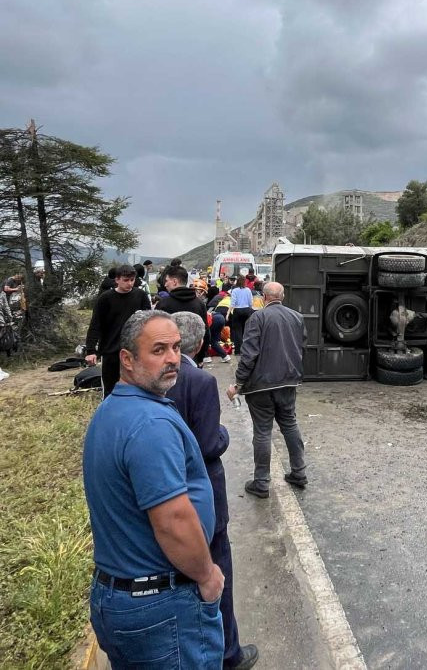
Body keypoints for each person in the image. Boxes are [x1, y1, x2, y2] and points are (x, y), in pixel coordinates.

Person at [83, 310, 225, 668]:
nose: (173, 358)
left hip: (121, 596)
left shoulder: (113, 410)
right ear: (127, 359)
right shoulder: (150, 424)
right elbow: (173, 520)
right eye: (159, 350)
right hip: (160, 608)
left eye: (176, 348)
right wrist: (207, 575)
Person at [168, 313, 258, 670]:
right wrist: (224, 434)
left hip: (169, 490)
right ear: (202, 341)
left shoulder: (147, 377)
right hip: (202, 491)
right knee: (217, 570)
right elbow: (208, 443)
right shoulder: (199, 381)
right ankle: (227, 652)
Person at [226, 281, 308, 498]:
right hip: (288, 381)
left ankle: (261, 482)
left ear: (263, 297)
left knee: (262, 432)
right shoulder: (297, 318)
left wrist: (238, 384)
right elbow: (301, 345)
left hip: (261, 385)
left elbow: (249, 353)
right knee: (290, 424)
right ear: (283, 296)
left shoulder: (258, 318)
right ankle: (299, 472)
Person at [85, 264, 152, 398]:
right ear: (117, 280)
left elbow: (149, 320)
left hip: (134, 350)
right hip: (110, 350)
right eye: (126, 280)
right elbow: (95, 324)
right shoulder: (105, 298)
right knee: (110, 389)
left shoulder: (141, 296)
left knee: (136, 387)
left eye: (132, 280)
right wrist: (91, 350)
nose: (129, 283)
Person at [156, 265, 209, 363]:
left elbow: (156, 334)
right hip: (193, 358)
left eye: (167, 281)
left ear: (175, 281)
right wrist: (201, 357)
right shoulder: (199, 303)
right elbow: (205, 333)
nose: (165, 284)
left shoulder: (163, 304)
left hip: (168, 359)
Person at [228, 275, 254, 356]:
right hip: (247, 310)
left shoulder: (235, 290)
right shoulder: (248, 290)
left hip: (238, 310)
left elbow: (233, 303)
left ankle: (238, 350)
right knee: (246, 331)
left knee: (237, 331)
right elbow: (251, 302)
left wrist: (228, 313)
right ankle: (247, 349)